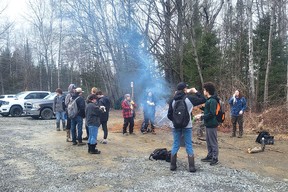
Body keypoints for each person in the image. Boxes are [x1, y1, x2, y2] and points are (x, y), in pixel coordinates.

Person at [167, 82, 206, 172]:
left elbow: (169, 115)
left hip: (175, 126)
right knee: (188, 144)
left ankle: (173, 165)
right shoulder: (189, 99)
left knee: (176, 144)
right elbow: (203, 99)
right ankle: (191, 167)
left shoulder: (172, 100)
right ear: (185, 89)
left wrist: (175, 120)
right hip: (187, 125)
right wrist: (195, 91)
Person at [195, 82, 219, 166]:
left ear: (207, 91)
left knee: (213, 141)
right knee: (208, 141)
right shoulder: (209, 100)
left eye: (204, 90)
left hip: (212, 124)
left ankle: (215, 158)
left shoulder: (212, 100)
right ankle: (210, 155)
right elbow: (207, 109)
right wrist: (201, 107)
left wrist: (201, 117)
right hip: (208, 124)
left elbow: (212, 113)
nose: (203, 91)